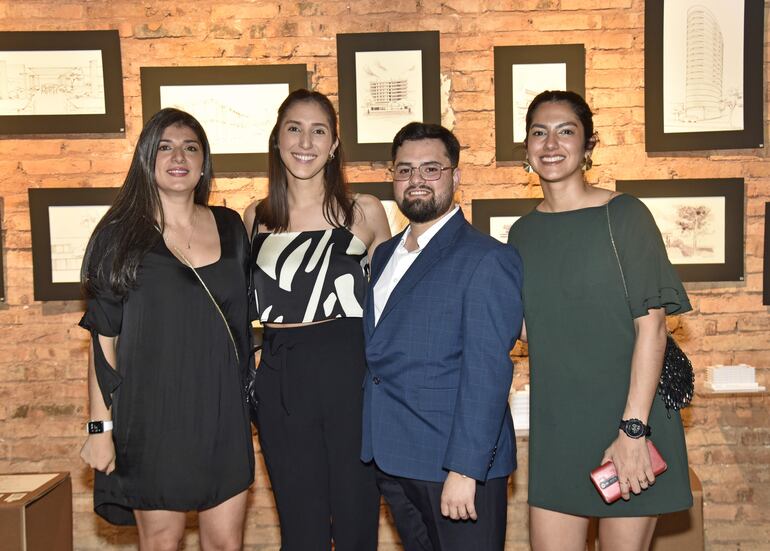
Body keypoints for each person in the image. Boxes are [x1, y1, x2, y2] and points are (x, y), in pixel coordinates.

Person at [507, 90, 693, 551]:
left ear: (589, 146)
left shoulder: (625, 215)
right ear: (526, 149)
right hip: (559, 430)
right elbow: (534, 329)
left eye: (565, 131)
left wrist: (633, 430)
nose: (551, 143)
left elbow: (651, 328)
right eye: (538, 133)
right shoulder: (522, 233)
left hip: (629, 421)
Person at [79, 108, 255, 550]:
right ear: (146, 158)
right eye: (165, 146)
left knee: (225, 543)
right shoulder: (118, 235)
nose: (179, 156)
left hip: (222, 415)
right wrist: (100, 431)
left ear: (203, 161)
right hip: (152, 416)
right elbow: (103, 343)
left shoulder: (232, 228)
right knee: (162, 540)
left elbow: (247, 324)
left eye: (190, 147)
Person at [361, 122, 524, 551]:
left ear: (455, 176)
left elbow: (487, 372)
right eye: (404, 170)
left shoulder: (487, 258)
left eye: (431, 169)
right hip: (394, 458)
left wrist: (465, 471)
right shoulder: (383, 256)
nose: (416, 180)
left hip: (455, 468)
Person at [244, 88, 391, 551]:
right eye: (294, 128)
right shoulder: (256, 217)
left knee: (356, 520)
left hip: (352, 370)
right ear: (276, 139)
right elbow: (241, 310)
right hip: (282, 377)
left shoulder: (364, 210)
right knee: (300, 528)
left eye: (318, 130)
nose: (305, 141)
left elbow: (391, 304)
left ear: (333, 145)